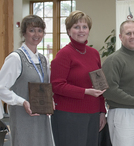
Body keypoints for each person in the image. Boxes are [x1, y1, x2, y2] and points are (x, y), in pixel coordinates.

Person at [50, 10, 106, 146]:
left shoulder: (93, 53)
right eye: (76, 27)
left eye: (84, 27)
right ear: (69, 31)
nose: (81, 30)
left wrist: (102, 112)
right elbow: (57, 85)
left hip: (92, 114)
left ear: (88, 30)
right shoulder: (64, 54)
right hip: (69, 115)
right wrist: (85, 92)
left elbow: (99, 84)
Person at [0, 15, 53, 146]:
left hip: (42, 116)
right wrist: (22, 101)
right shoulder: (15, 58)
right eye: (32, 30)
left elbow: (45, 84)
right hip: (23, 116)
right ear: (24, 33)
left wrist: (50, 99)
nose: (36, 34)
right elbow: (1, 87)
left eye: (40, 30)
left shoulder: (43, 59)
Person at [102, 20, 134, 146]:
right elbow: (110, 91)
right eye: (128, 33)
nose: (132, 36)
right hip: (123, 114)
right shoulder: (113, 60)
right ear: (120, 36)